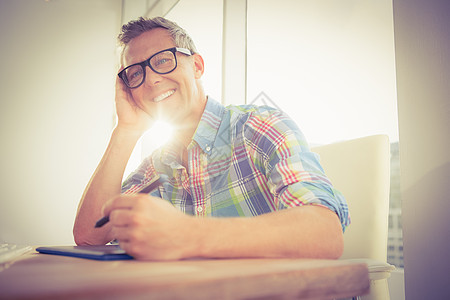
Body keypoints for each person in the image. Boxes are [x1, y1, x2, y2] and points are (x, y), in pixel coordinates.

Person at [73, 17, 350, 261]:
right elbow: (89, 236)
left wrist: (185, 234)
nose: (151, 80)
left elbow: (325, 233)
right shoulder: (155, 167)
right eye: (135, 74)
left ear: (197, 66)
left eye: (163, 61)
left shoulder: (259, 127)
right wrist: (126, 131)